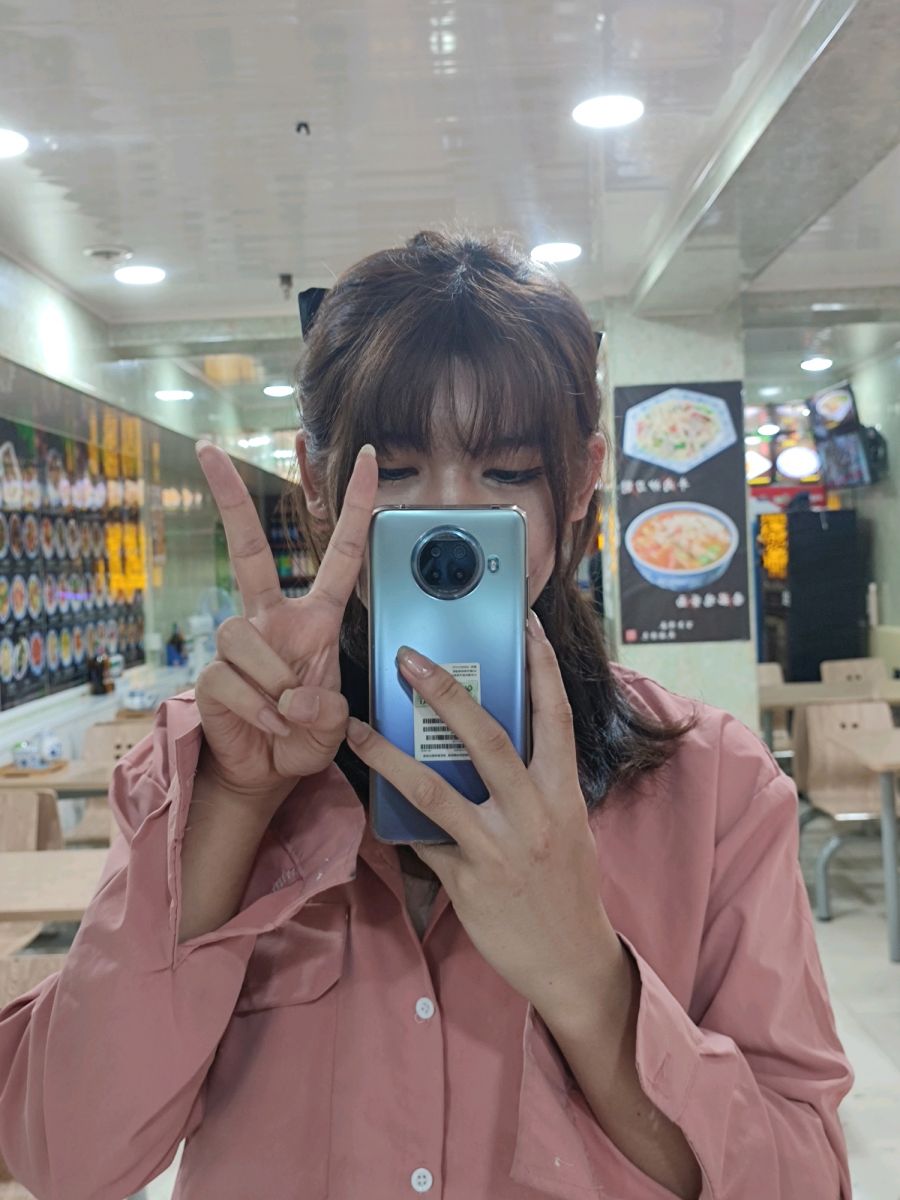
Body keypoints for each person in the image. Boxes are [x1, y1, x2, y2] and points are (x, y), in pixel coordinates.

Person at [0, 231, 852, 1200]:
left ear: (582, 480)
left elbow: (805, 1180)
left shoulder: (713, 788)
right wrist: (234, 808)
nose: (448, 520)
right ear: (315, 483)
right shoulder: (204, 767)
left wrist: (589, 982)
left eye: (508, 473)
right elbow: (67, 1156)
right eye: (395, 474)